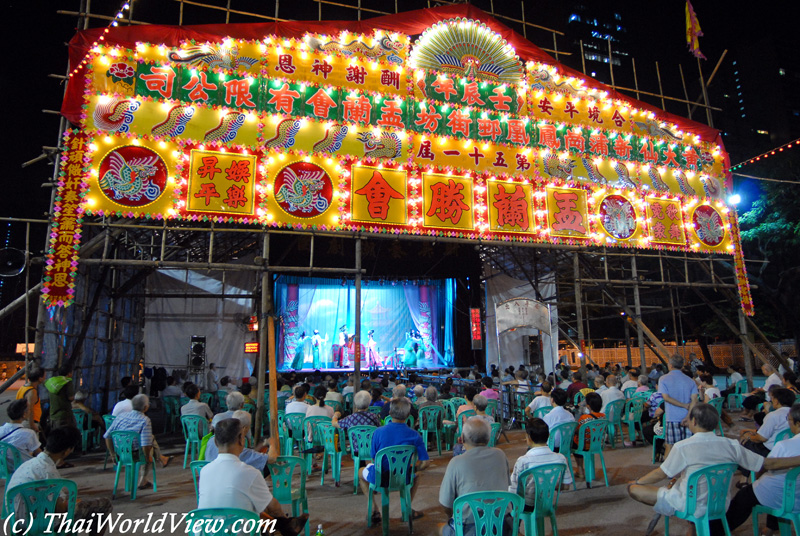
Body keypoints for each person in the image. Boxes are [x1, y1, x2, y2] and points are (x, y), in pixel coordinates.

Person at [628, 403, 764, 521]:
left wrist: (638, 482)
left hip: (689, 505)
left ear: (693, 421)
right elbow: (761, 463)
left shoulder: (683, 446)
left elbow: (661, 473)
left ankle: (692, 522)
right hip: (720, 504)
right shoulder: (732, 445)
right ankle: (694, 527)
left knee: (634, 489)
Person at [198, 418, 308, 536]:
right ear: (241, 440)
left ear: (215, 442)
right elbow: (273, 507)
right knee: (262, 513)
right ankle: (287, 526)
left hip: (207, 532)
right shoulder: (249, 472)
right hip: (239, 532)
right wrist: (282, 519)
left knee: (251, 508)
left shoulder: (204, 471)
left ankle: (286, 526)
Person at [709, 403, 800, 536]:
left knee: (745, 496)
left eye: (789, 420)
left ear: (797, 423)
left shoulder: (784, 446)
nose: (788, 423)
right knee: (776, 485)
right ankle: (771, 527)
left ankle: (716, 531)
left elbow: (768, 466)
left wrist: (756, 478)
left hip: (782, 493)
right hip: (795, 493)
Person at [6, 427, 112, 536]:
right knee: (104, 506)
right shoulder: (49, 472)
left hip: (17, 523)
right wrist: (72, 503)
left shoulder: (27, 465)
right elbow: (59, 509)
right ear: (66, 451)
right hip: (42, 524)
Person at [360, 397, 430, 524]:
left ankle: (374, 510)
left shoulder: (378, 432)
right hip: (403, 478)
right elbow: (425, 463)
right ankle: (407, 508)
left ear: (390, 413)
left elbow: (373, 459)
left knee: (360, 472)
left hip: (381, 477)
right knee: (417, 475)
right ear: (408, 415)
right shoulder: (415, 435)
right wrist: (411, 468)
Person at [439, 418, 510, 536]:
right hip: (501, 525)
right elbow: (507, 485)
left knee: (440, 530)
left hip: (469, 528)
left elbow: (445, 503)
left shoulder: (456, 462)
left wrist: (453, 516)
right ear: (488, 438)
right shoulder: (500, 455)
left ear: (462, 438)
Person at [104, 394, 172, 488]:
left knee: (150, 438)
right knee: (149, 449)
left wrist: (113, 454)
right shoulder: (144, 420)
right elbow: (145, 445)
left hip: (120, 454)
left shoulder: (121, 417)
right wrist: (147, 457)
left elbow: (107, 436)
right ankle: (143, 480)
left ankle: (162, 458)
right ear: (145, 407)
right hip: (135, 455)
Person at [509, 417, 572, 508]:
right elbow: (566, 486)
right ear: (549, 435)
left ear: (529, 438)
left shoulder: (523, 461)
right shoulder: (561, 459)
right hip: (548, 502)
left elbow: (513, 490)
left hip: (527, 505)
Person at [203, 410, 275, 475]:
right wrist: (272, 444)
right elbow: (271, 459)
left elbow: (248, 455)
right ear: (244, 429)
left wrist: (262, 445)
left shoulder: (211, 440)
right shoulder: (237, 448)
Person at [658, 355, 698, 457]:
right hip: (689, 419)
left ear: (670, 365)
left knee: (670, 446)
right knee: (689, 446)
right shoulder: (690, 381)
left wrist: (683, 405)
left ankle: (668, 471)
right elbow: (694, 400)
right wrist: (688, 416)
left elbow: (666, 398)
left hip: (672, 417)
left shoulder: (663, 379)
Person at [739, 387, 794, 456]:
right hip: (788, 447)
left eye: (772, 399)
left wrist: (749, 437)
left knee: (744, 441)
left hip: (769, 450)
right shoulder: (795, 413)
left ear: (776, 401)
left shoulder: (773, 415)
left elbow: (761, 438)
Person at [572, 392, 604, 480]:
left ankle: (580, 469)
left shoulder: (584, 418)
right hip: (598, 444)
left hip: (585, 446)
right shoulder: (604, 417)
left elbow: (577, 430)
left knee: (574, 442)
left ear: (588, 406)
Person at [45, 363, 77, 430]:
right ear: (69, 373)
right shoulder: (67, 382)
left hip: (53, 415)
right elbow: (70, 397)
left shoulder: (53, 382)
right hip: (64, 416)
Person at [16, 364, 43, 434]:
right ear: (40, 378)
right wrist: (32, 425)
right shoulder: (32, 392)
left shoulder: (23, 387)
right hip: (29, 423)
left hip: (22, 420)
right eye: (44, 376)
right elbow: (30, 410)